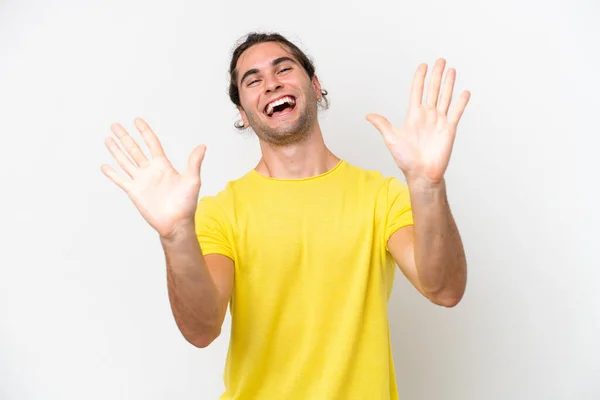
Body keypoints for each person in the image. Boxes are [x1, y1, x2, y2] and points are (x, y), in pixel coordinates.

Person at [101, 31, 470, 400]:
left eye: (283, 69)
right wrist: (175, 235)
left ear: (314, 85)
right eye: (253, 79)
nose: (271, 84)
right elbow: (201, 329)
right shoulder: (221, 212)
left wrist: (426, 184)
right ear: (243, 115)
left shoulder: (381, 196)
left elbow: (445, 289)